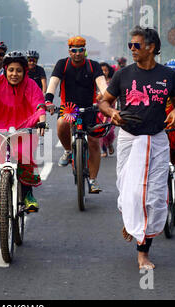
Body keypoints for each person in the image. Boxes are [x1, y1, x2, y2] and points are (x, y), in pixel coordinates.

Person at [99, 26, 175, 270]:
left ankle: (143, 252)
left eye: (137, 45)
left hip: (157, 139)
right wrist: (112, 112)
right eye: (131, 45)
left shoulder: (169, 76)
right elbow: (104, 101)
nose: (132, 49)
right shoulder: (123, 75)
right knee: (129, 194)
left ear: (152, 47)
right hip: (128, 138)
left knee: (154, 197)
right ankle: (132, 219)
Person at [0, 51, 46, 224]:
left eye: (19, 70)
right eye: (11, 70)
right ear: (5, 70)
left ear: (24, 71)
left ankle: (27, 194)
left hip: (23, 129)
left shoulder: (30, 85)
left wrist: (41, 121)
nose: (14, 74)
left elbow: (38, 104)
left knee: (24, 159)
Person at [45, 36, 108, 193]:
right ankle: (68, 150)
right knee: (61, 123)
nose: (77, 54)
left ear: (85, 51)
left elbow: (102, 85)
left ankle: (93, 180)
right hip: (69, 108)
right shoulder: (63, 64)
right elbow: (53, 82)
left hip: (90, 108)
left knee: (93, 141)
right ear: (69, 52)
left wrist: (107, 99)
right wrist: (48, 100)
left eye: (81, 50)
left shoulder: (93, 66)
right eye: (74, 51)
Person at [98, 62, 116, 157]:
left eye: (106, 70)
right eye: (102, 71)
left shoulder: (112, 82)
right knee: (101, 131)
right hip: (99, 110)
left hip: (110, 109)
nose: (104, 72)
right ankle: (104, 150)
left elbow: (115, 96)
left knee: (110, 130)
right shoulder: (97, 82)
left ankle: (109, 144)